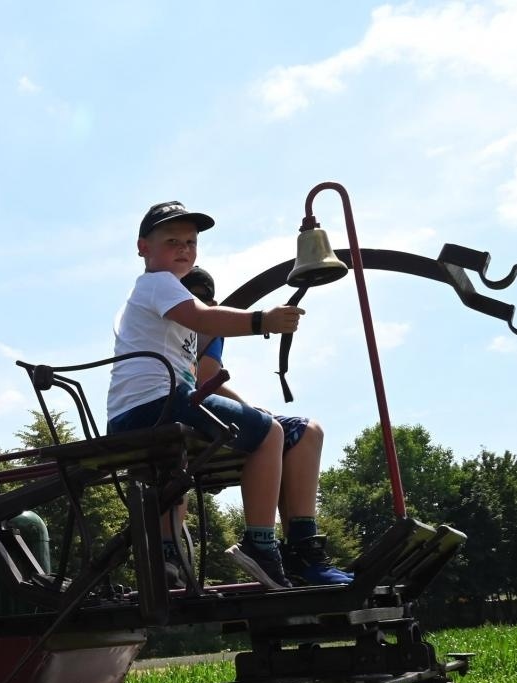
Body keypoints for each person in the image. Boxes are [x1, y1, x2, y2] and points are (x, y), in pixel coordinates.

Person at [107, 201, 351, 588]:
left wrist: (245, 407)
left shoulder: (162, 298)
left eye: (190, 241)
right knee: (269, 433)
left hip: (154, 406)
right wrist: (262, 321)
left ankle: (296, 547)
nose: (184, 248)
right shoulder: (158, 283)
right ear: (143, 248)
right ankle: (260, 545)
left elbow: (198, 369)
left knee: (284, 429)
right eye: (172, 240)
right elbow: (203, 318)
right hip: (154, 406)